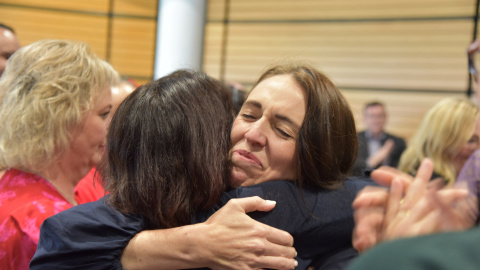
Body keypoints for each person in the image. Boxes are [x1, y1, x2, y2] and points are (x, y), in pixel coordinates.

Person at [31, 64, 371, 270]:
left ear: (318, 159)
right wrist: (198, 241)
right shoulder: (186, 199)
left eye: (283, 130)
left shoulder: (334, 226)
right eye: (248, 115)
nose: (253, 134)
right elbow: (65, 236)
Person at [0, 39, 119, 270]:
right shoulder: (45, 225)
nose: (110, 128)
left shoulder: (15, 188)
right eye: (104, 114)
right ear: (62, 120)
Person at [353, 101, 406, 176]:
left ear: (385, 118)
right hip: (361, 181)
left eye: (379, 116)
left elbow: (402, 168)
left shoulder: (398, 142)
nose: (376, 120)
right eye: (371, 116)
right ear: (364, 118)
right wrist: (373, 160)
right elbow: (351, 167)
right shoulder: (354, 139)